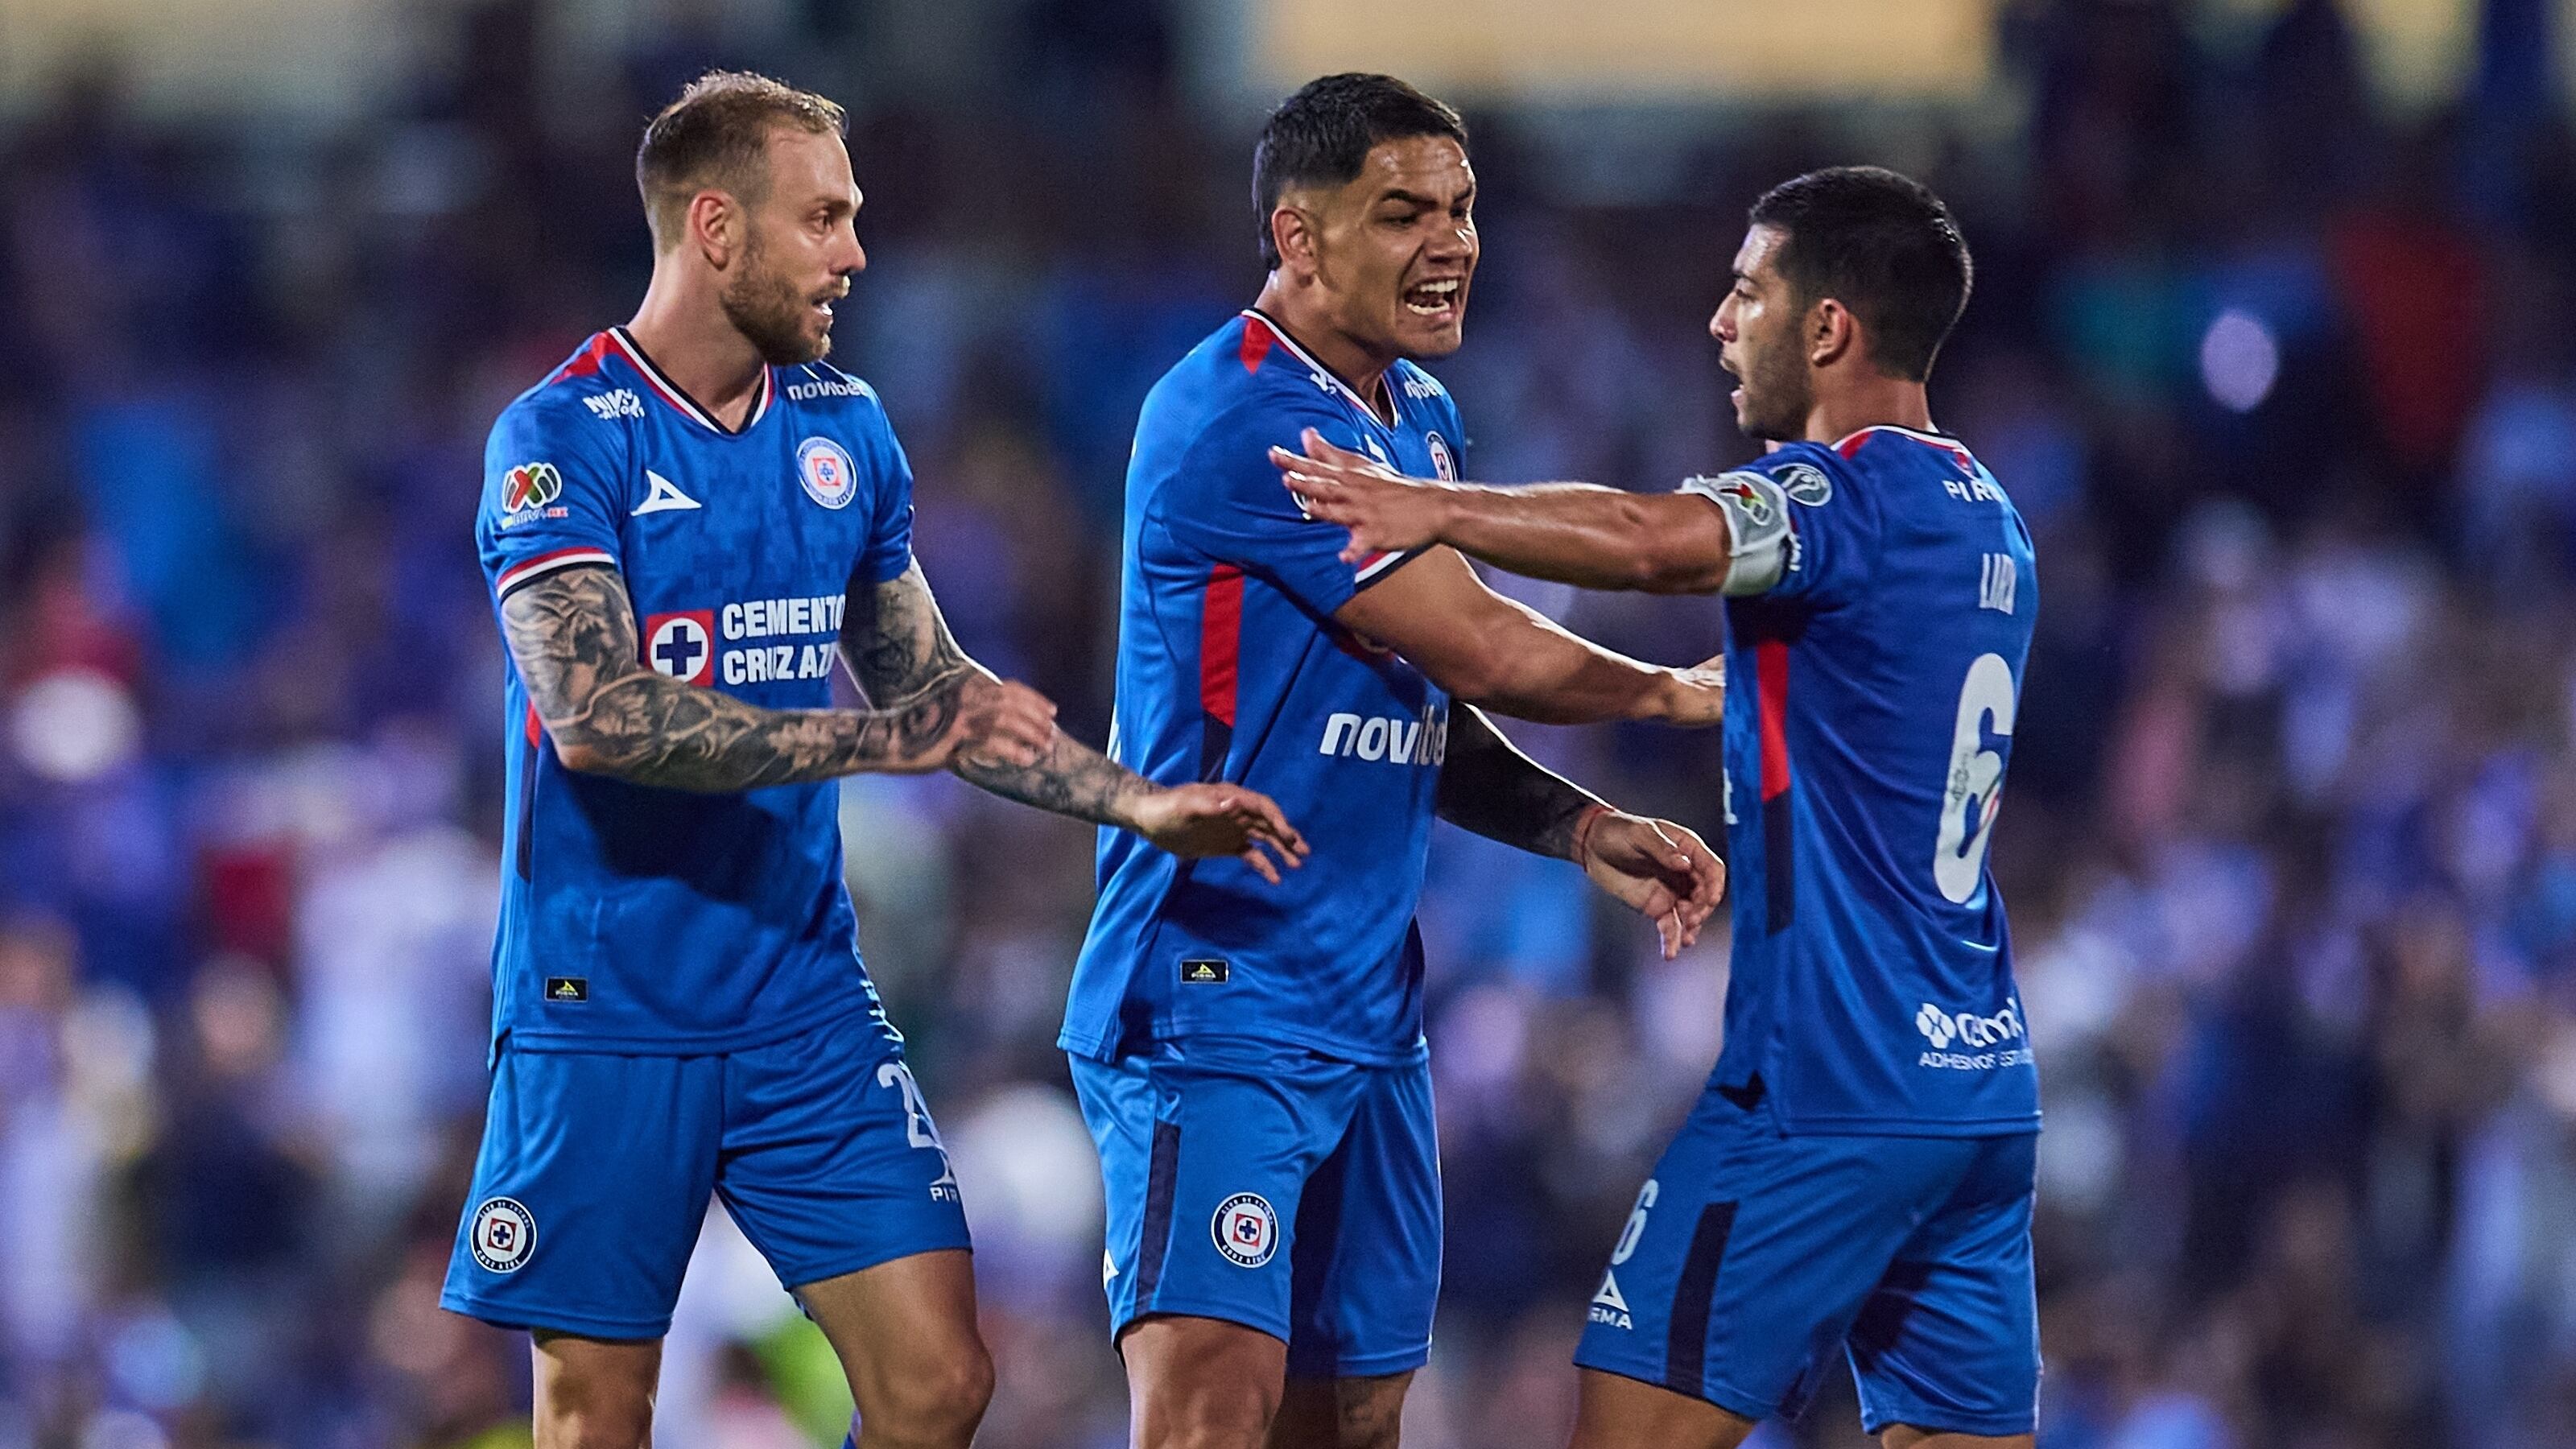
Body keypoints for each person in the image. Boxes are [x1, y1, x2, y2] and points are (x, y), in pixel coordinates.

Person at [440, 71, 1307, 1449]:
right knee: (598, 1408)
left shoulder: (846, 428)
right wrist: (873, 741)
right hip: (603, 999)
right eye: (824, 218)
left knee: (939, 1382)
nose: (855, 253)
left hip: (801, 1000)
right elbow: (597, 715)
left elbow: (936, 694)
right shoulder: (556, 437)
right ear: (716, 229)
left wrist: (1137, 801)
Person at [1276, 167, 2041, 1448]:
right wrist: (1703, 706)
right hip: (1978, 1091)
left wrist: (1432, 508)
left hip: (1825, 1086)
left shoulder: (1841, 496)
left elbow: (1645, 538)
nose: (1718, 323)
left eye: (1747, 293)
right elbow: (1858, 706)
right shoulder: (1991, 518)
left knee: (1625, 1424)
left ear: (1830, 328)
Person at [1065, 73, 1730, 1449]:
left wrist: (1575, 826)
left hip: (1368, 1010)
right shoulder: (1242, 415)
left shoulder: (1418, 417)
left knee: (1358, 1421)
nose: (1452, 241)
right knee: (1208, 1416)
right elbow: (1481, 647)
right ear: (1299, 240)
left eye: (1465, 209)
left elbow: (1412, 706)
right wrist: (1676, 696)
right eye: (1403, 212)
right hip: (1215, 991)